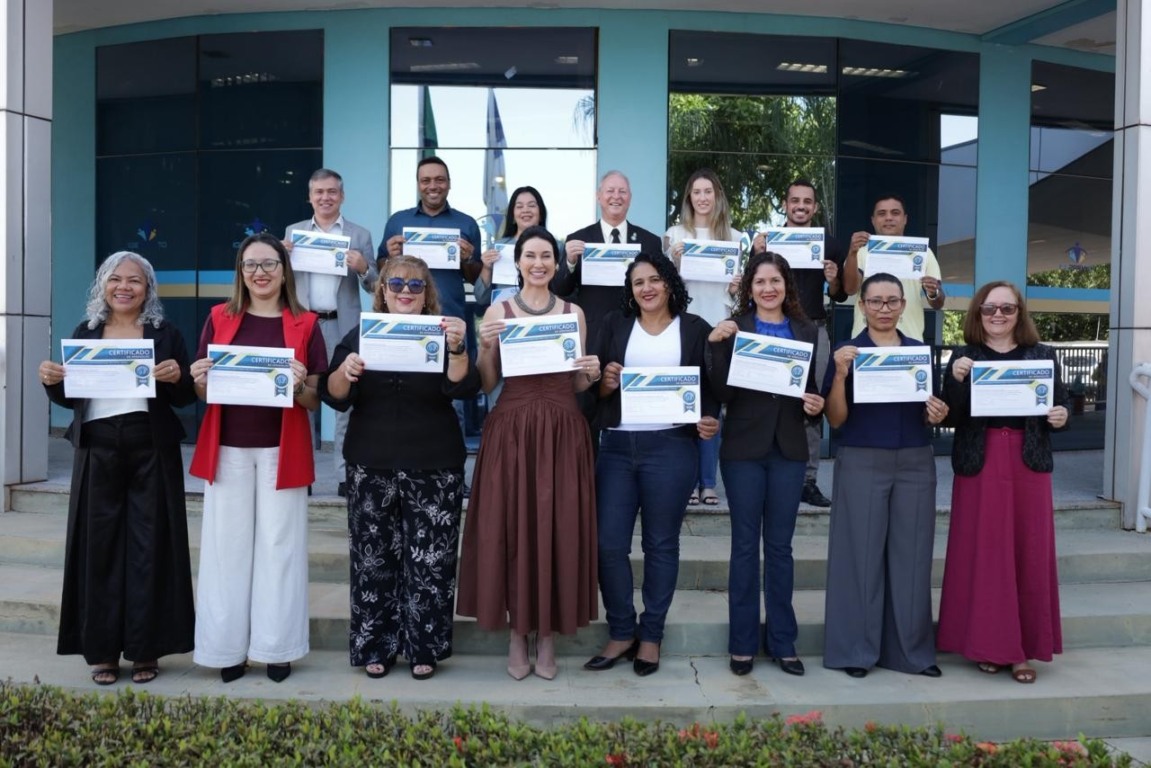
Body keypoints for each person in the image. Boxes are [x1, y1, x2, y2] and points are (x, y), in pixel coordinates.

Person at [39, 251, 196, 686]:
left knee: (151, 547)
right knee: (99, 549)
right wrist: (52, 381)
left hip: (151, 448)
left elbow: (185, 395)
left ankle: (146, 649)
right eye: (115, 279)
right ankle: (103, 651)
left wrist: (177, 376)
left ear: (148, 289)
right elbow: (72, 397)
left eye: (134, 280)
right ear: (103, 286)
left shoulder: (165, 334)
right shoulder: (86, 332)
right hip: (98, 448)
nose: (124, 287)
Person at [320, 256, 480, 681]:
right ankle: (376, 645)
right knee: (373, 562)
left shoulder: (443, 333)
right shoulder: (361, 334)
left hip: (434, 463)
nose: (405, 291)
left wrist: (458, 349)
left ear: (427, 294)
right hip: (371, 462)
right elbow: (334, 395)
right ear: (382, 292)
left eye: (415, 285)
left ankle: (424, 647)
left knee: (431, 561)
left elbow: (464, 387)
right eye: (395, 284)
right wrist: (345, 371)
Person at [457, 225, 601, 681]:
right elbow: (487, 383)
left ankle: (549, 635)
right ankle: (518, 633)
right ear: (517, 262)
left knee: (559, 529)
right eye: (530, 256)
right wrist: (485, 346)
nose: (538, 263)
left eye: (546, 256)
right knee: (513, 529)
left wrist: (592, 372)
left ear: (556, 264)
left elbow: (577, 383)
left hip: (562, 430)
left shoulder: (574, 312)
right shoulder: (498, 310)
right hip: (513, 430)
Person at [188, 232, 327, 684]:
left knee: (280, 549)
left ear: (284, 271)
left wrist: (301, 384)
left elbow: (314, 401)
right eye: (251, 265)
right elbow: (203, 391)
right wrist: (199, 378)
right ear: (240, 273)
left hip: (281, 450)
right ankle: (226, 649)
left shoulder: (306, 323)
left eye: (269, 264)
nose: (260, 272)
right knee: (225, 550)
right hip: (227, 448)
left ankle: (276, 647)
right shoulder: (219, 318)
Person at [586, 253, 720, 677]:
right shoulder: (615, 324)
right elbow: (592, 389)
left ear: (669, 283)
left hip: (671, 447)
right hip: (617, 447)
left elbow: (711, 387)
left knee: (660, 545)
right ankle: (621, 629)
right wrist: (605, 384)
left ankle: (651, 635)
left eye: (655, 279)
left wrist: (709, 418)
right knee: (608, 544)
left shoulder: (695, 328)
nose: (647, 288)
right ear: (630, 290)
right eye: (638, 282)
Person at [937, 282, 1069, 684]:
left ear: (1019, 314)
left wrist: (1062, 416)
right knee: (986, 553)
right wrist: (955, 379)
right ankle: (989, 644)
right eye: (989, 308)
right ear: (977, 313)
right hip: (981, 462)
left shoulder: (1043, 355)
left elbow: (1059, 405)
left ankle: (1022, 651)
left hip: (1028, 462)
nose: (998, 315)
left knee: (1029, 551)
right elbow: (949, 417)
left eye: (1007, 309)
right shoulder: (964, 357)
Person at [821, 272, 949, 678]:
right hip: (862, 457)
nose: (884, 308)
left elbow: (929, 411)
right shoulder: (846, 352)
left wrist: (937, 414)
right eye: (875, 301)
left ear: (903, 305)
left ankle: (911, 653)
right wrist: (840, 375)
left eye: (892, 301)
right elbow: (836, 420)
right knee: (859, 556)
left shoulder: (918, 352)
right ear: (862, 306)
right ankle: (855, 651)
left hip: (915, 459)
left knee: (912, 556)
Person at [707, 251, 825, 678]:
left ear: (786, 285)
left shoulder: (807, 330)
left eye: (775, 280)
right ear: (749, 288)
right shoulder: (735, 328)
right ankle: (742, 644)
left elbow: (815, 391)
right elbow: (722, 392)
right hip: (743, 451)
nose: (768, 288)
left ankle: (782, 641)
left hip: (789, 450)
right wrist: (715, 345)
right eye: (760, 282)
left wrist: (815, 406)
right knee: (744, 547)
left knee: (780, 549)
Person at [752, 179, 849, 508]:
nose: (801, 206)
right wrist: (757, 254)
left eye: (807, 201)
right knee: (766, 400)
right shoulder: (768, 241)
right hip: (772, 328)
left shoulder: (830, 244)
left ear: (815, 207)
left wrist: (833, 280)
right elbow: (749, 283)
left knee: (812, 402)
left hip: (814, 329)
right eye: (795, 200)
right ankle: (764, 472)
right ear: (785, 204)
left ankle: (808, 480)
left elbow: (840, 294)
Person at [283, 168, 378, 497]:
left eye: (332, 192)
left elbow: (376, 286)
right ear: (310, 197)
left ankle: (343, 475)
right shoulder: (293, 233)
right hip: (305, 324)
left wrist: (363, 268)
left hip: (343, 325)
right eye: (319, 192)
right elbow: (281, 281)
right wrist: (280, 257)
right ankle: (303, 474)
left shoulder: (359, 234)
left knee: (344, 400)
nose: (325, 197)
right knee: (301, 396)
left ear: (342, 196)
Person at [663, 169, 741, 507]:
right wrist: (676, 263)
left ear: (717, 196)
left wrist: (736, 290)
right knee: (684, 401)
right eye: (697, 192)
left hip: (719, 327)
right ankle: (688, 482)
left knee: (712, 406)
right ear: (689, 198)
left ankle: (708, 483)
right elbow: (665, 289)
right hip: (684, 328)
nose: (703, 197)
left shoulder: (735, 237)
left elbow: (737, 298)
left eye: (708, 191)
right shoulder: (674, 235)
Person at [552, 170, 663, 351]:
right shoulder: (578, 239)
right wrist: (570, 262)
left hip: (638, 329)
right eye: (610, 191)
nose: (616, 196)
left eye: (622, 191)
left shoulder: (650, 241)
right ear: (598, 196)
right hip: (593, 331)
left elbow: (661, 287)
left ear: (630, 198)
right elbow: (560, 289)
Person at [379, 155, 482, 324]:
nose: (433, 186)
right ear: (418, 185)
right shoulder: (397, 221)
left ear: (449, 183)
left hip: (450, 315)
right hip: (404, 317)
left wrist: (468, 259)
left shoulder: (467, 224)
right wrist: (391, 258)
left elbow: (476, 279)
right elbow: (381, 271)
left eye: (439, 180)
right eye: (426, 180)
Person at [846, 195, 944, 343]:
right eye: (882, 213)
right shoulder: (860, 251)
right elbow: (850, 289)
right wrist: (852, 253)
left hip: (909, 339)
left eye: (895, 213)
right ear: (873, 220)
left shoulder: (923, 252)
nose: (888, 218)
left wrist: (933, 293)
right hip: (867, 341)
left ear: (905, 219)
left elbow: (938, 303)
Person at [475, 185, 547, 305]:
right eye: (519, 206)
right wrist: (486, 268)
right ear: (512, 215)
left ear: (541, 213)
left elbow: (563, 290)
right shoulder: (498, 247)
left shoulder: (556, 247)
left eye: (531, 205)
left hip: (543, 312)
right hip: (506, 312)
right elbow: (481, 298)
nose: (525, 210)